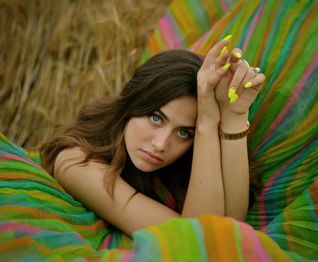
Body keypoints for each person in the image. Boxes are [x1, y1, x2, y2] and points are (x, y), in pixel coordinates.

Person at [40, 36, 265, 236]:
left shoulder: (191, 160)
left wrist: (234, 115)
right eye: (156, 118)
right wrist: (205, 123)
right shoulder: (74, 160)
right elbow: (198, 238)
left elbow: (231, 225)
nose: (160, 144)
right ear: (133, 101)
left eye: (184, 132)